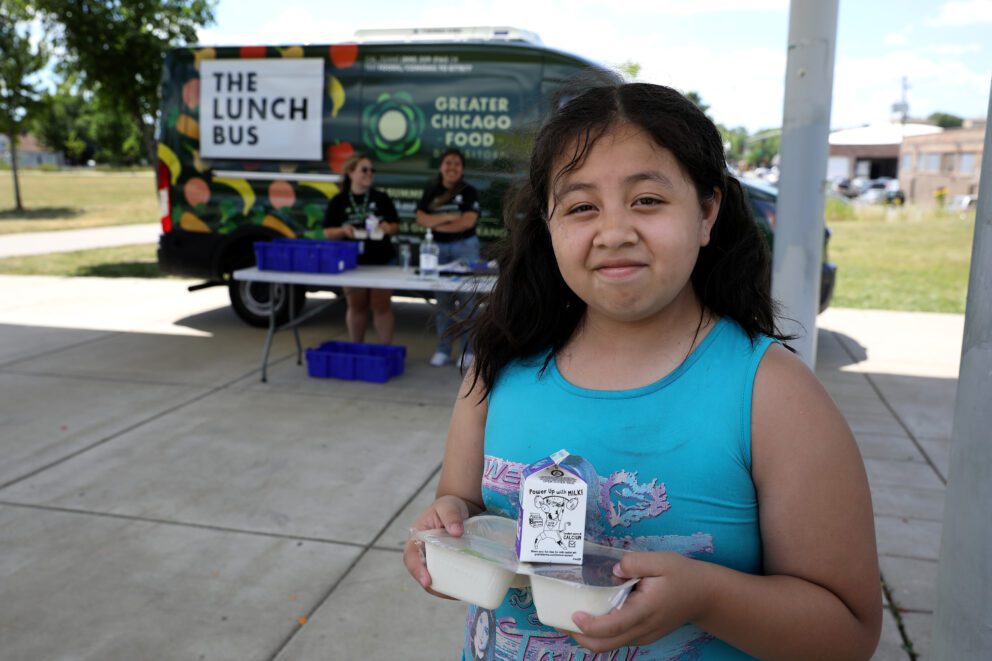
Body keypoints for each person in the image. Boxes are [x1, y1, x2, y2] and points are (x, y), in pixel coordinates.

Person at [404, 80, 882, 659]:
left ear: (707, 213)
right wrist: (451, 528)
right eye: (582, 207)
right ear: (549, 226)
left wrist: (706, 597)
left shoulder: (772, 395)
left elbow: (848, 634)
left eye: (647, 200)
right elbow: (462, 502)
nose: (614, 232)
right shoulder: (496, 371)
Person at [415, 148, 482, 368]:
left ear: (461, 169)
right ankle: (443, 350)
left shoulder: (469, 190)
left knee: (466, 301)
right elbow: (421, 219)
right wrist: (447, 216)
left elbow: (467, 222)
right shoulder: (431, 190)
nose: (452, 167)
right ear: (441, 167)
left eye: (456, 164)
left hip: (465, 247)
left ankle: (468, 351)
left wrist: (436, 221)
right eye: (448, 163)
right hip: (437, 250)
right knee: (442, 302)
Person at [323, 154, 401, 344]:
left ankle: (385, 349)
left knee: (381, 306)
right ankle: (357, 347)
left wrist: (386, 228)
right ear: (350, 173)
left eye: (371, 170)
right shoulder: (339, 201)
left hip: (382, 260)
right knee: (356, 306)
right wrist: (343, 230)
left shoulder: (381, 198)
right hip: (352, 263)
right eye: (364, 170)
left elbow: (396, 226)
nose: (369, 174)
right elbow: (327, 232)